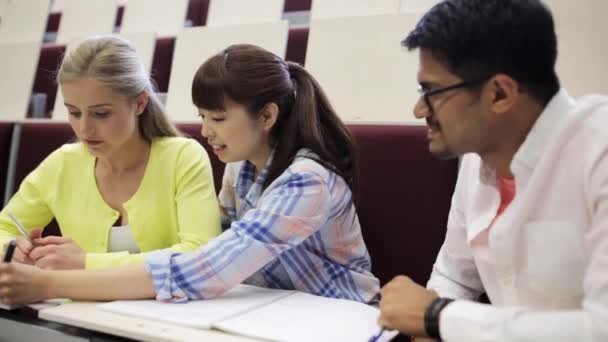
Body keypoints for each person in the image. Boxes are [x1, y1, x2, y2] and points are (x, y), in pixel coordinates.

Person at [0, 44, 380, 305]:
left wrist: (52, 282)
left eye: (217, 118)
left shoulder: (307, 181)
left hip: (338, 316)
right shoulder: (238, 170)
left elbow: (205, 266)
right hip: (270, 312)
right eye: (202, 117)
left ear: (266, 116)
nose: (205, 130)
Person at [377, 0, 608, 341]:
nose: (417, 109)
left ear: (499, 93)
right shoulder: (477, 158)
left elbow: (602, 327)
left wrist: (435, 317)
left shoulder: (599, 151)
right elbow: (454, 278)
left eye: (430, 91)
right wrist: (432, 324)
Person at [0, 35, 221, 270]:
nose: (84, 129)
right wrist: (11, 248)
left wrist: (86, 262)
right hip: (70, 307)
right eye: (74, 113)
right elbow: (4, 228)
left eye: (101, 113)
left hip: (170, 307)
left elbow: (201, 254)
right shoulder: (62, 163)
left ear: (140, 103)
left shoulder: (183, 158)